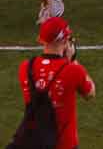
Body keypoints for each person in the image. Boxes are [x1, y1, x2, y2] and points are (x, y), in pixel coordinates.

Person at [18, 16, 92, 149]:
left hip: (34, 142)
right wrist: (72, 60)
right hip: (65, 144)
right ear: (64, 41)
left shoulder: (25, 67)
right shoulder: (73, 70)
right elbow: (90, 93)